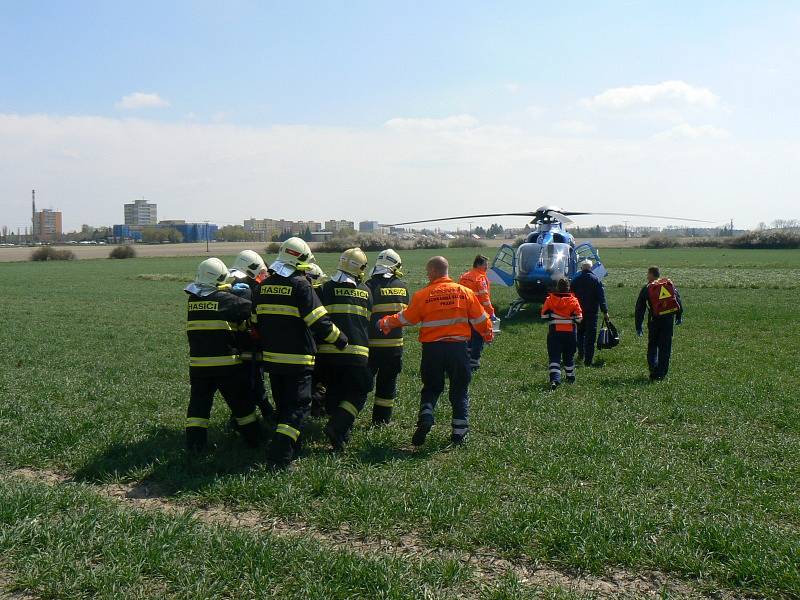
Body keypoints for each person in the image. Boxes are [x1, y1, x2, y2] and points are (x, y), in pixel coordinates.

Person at [253, 237, 348, 468]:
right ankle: (279, 456)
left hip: (273, 361)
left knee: (284, 406)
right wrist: (341, 339)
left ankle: (293, 447)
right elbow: (319, 321)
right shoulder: (301, 285)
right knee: (299, 407)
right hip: (298, 360)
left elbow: (254, 323)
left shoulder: (262, 286)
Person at [378, 256, 493, 446]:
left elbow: (407, 318)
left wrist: (386, 322)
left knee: (431, 387)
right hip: (458, 349)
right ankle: (459, 433)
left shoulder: (423, 295)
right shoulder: (464, 292)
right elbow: (480, 319)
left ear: (432, 272)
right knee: (459, 389)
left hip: (432, 350)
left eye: (427, 271)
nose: (426, 274)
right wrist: (487, 334)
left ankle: (426, 415)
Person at [184, 257, 261, 453]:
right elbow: (250, 309)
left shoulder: (193, 300)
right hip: (226, 365)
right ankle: (255, 441)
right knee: (242, 406)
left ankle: (194, 447)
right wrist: (245, 294)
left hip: (199, 365)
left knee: (198, 408)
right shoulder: (225, 299)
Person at [316, 248, 374, 450]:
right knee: (360, 391)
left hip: (326, 355)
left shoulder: (324, 289)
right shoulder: (365, 291)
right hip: (355, 354)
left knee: (335, 391)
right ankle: (338, 426)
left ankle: (341, 433)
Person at [228, 250, 274, 423]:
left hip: (238, 347)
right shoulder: (253, 290)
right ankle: (266, 413)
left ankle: (244, 415)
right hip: (251, 346)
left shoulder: (234, 288)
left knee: (249, 383)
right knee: (254, 383)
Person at [365, 249, 409, 425]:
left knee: (361, 385)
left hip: (370, 347)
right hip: (393, 347)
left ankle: (344, 418)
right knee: (387, 383)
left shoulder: (368, 286)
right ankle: (382, 420)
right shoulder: (403, 287)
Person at [635, 266, 683, 381]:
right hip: (668, 320)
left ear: (651, 274)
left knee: (653, 346)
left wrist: (638, 325)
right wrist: (679, 315)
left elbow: (640, 308)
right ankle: (662, 373)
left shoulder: (647, 288)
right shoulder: (668, 285)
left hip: (654, 321)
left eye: (648, 274)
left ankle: (653, 370)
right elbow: (678, 300)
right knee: (665, 347)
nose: (647, 276)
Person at [540, 278, 583, 390]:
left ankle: (555, 379)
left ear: (557, 287)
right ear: (568, 287)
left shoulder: (550, 300)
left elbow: (544, 316)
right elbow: (579, 319)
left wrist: (554, 315)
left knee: (554, 356)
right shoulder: (574, 301)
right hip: (570, 333)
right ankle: (570, 377)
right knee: (569, 356)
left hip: (555, 333)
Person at [458, 255, 497, 372]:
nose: (487, 267)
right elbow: (485, 298)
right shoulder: (480, 278)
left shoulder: (464, 276)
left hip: (464, 311)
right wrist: (491, 312)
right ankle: (474, 361)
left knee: (468, 336)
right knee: (479, 336)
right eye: (485, 265)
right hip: (478, 312)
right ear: (479, 265)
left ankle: (467, 357)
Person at [571, 259, 609, 367]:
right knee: (590, 337)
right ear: (591, 268)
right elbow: (601, 297)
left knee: (580, 334)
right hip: (592, 313)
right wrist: (605, 311)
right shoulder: (596, 280)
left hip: (578, 312)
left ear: (582, 268)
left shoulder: (575, 280)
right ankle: (588, 361)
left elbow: (570, 295)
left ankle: (581, 354)